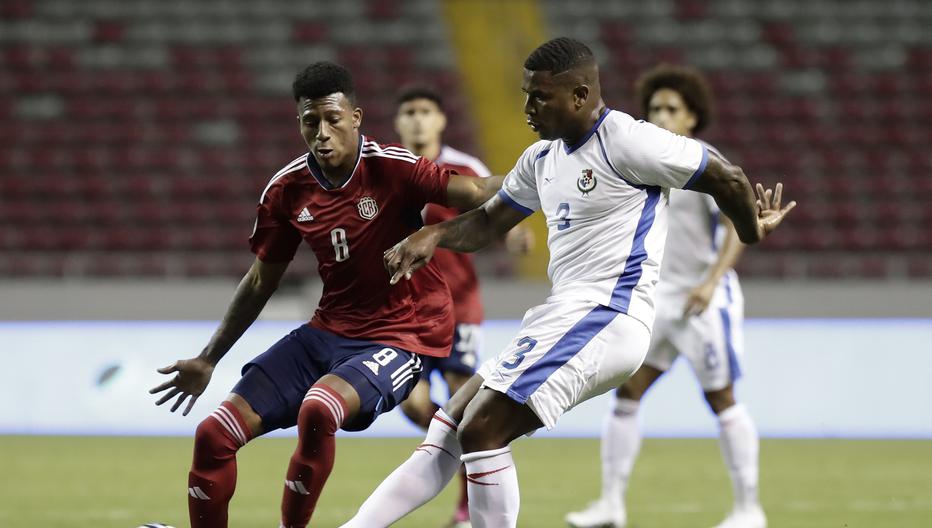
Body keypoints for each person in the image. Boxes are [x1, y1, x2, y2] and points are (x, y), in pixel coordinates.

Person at [340, 37, 794, 528]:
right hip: (563, 314)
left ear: (580, 96)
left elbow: (724, 176)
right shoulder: (543, 159)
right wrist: (432, 234)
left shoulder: (627, 139)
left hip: (610, 315)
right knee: (450, 424)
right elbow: (488, 223)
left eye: (541, 96)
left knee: (484, 430)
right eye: (526, 95)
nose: (529, 107)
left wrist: (752, 229)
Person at [149, 61, 504, 528]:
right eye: (309, 121)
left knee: (320, 407)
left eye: (333, 119)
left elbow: (478, 189)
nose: (322, 132)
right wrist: (208, 358)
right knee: (213, 434)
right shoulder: (286, 190)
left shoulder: (392, 168)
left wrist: (547, 169)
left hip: (403, 332)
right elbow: (260, 281)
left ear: (355, 118)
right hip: (328, 330)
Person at [565, 64, 765, 528]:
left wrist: (712, 281)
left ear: (692, 117)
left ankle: (748, 509)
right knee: (628, 392)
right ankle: (611, 504)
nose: (659, 115)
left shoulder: (703, 160)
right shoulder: (641, 159)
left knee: (722, 399)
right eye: (654, 107)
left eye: (671, 108)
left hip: (703, 298)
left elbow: (741, 222)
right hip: (656, 299)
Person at [393, 85, 534, 528]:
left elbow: (498, 207)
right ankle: (458, 450)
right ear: (399, 122)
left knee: (463, 403)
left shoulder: (465, 168)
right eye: (409, 112)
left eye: (425, 112)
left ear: (440, 121)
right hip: (404, 313)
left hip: (458, 309)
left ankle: (464, 505)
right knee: (414, 406)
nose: (417, 120)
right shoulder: (386, 168)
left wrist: (514, 237)